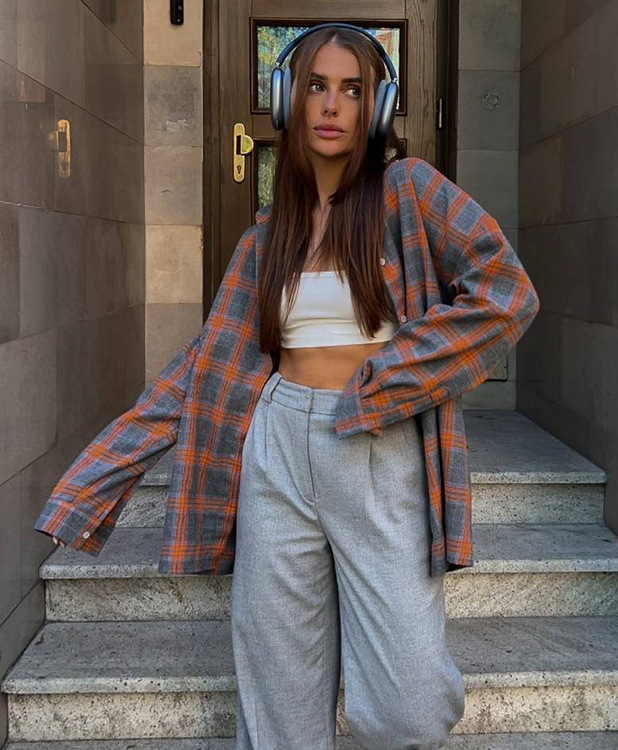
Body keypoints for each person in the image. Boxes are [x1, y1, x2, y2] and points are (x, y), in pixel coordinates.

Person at [38, 22, 540, 750]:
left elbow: (506, 292)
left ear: (377, 106)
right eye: (315, 86)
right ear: (288, 101)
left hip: (377, 446)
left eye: (353, 89)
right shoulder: (266, 235)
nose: (331, 105)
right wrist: (96, 480)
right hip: (275, 447)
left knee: (407, 706)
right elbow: (204, 367)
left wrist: (394, 374)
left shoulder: (409, 192)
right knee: (279, 705)